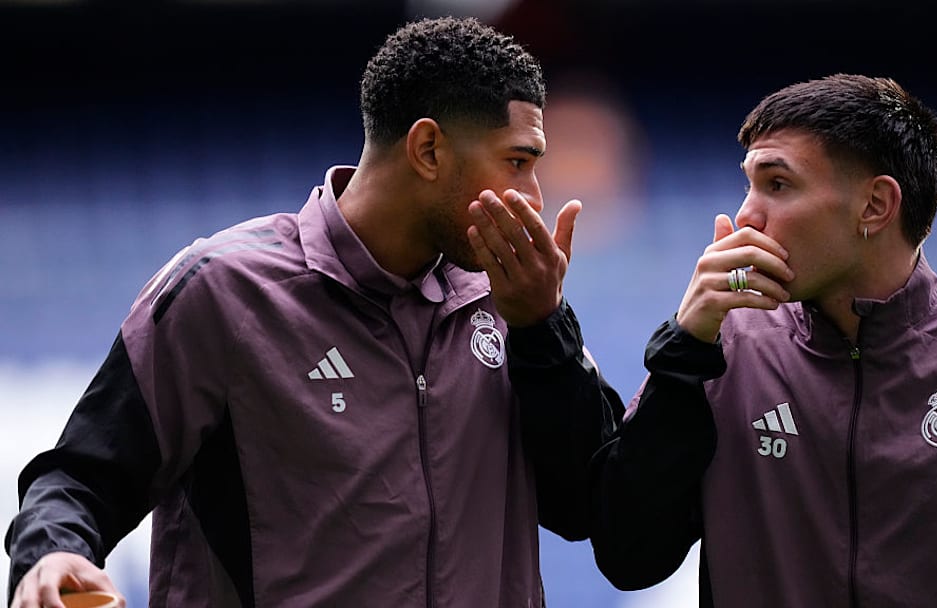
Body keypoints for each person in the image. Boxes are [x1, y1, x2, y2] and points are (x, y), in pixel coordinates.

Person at [5, 16, 620, 607]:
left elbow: (590, 506)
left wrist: (544, 328)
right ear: (429, 150)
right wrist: (52, 553)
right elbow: (81, 478)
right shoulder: (226, 291)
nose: (534, 197)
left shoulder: (511, 302)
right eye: (518, 163)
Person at [583, 74, 937, 606]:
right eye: (748, 185)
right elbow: (628, 558)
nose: (746, 215)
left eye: (777, 184)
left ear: (875, 205)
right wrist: (683, 350)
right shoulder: (721, 350)